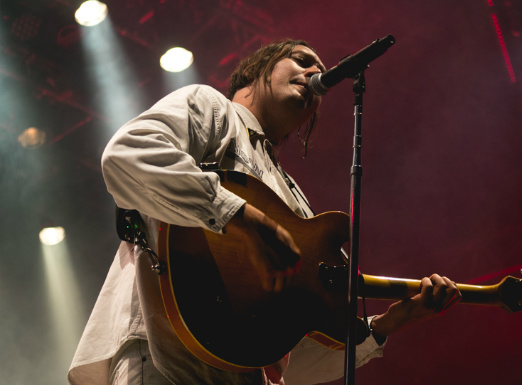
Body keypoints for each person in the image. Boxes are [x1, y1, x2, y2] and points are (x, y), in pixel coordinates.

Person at [67, 39, 462, 385]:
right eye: (302, 60)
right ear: (257, 70)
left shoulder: (294, 200)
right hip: (166, 354)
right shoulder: (212, 108)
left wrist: (391, 322)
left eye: (320, 72)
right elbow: (128, 155)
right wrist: (241, 217)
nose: (315, 73)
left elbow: (297, 353)